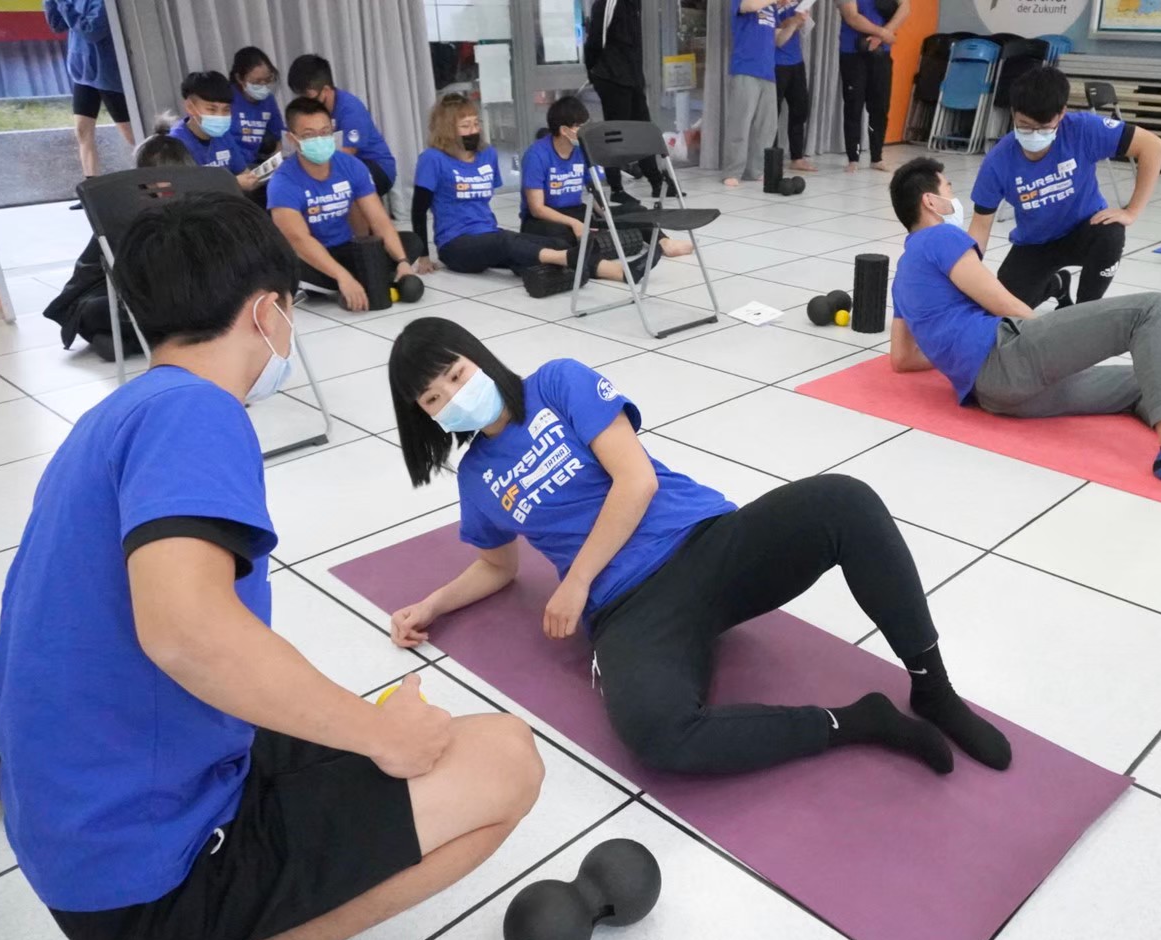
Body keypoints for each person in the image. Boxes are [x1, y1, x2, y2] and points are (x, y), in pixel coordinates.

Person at [0, 193, 543, 940]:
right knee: (506, 761)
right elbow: (186, 632)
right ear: (266, 312)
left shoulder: (113, 415)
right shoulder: (196, 411)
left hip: (77, 833)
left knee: (362, 717)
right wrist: (379, 737)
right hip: (142, 881)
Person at [384, 319, 1013, 777]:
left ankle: (932, 686)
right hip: (629, 610)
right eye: (435, 397)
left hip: (707, 545)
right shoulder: (477, 477)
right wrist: (431, 606)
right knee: (658, 736)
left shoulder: (557, 382)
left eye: (456, 374)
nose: (455, 395)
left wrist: (573, 582)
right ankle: (857, 722)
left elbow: (636, 481)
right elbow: (496, 566)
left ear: (477, 357)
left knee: (845, 501)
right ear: (425, 416)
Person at [888, 157, 1161, 507]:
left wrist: (953, 355)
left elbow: (902, 360)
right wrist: (1056, 339)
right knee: (1151, 309)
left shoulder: (903, 274)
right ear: (931, 202)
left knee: (1144, 379)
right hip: (1008, 359)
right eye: (948, 187)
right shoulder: (942, 236)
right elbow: (1003, 303)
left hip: (993, 395)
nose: (954, 196)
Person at [966, 66, 1161, 310]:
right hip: (1036, 243)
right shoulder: (998, 161)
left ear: (1061, 113)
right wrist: (967, 276)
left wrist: (1132, 211)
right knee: (1004, 310)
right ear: (1013, 113)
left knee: (1111, 233)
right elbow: (980, 227)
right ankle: (1057, 285)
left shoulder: (1081, 129)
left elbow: (1154, 146)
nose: (1034, 135)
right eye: (1025, 126)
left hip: (1085, 230)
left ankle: (1085, 311)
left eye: (1044, 127)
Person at [413, 94, 644, 282]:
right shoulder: (432, 159)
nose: (474, 130)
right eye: (465, 126)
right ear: (447, 130)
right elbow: (418, 210)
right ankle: (573, 261)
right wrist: (423, 255)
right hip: (455, 244)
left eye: (476, 123)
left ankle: (620, 273)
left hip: (488, 232)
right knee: (507, 243)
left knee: (553, 245)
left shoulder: (487, 154)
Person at [43, 129, 194, 361]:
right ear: (143, 180)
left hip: (149, 295)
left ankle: (132, 341)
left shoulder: (186, 205)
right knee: (155, 310)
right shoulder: (127, 213)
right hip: (104, 295)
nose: (170, 187)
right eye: (161, 180)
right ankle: (135, 338)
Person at [268, 97, 425, 312]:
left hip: (346, 247)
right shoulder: (282, 181)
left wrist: (402, 262)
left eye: (325, 132)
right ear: (292, 138)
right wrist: (342, 276)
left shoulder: (351, 165)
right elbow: (298, 240)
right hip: (310, 257)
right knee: (285, 267)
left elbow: (378, 220)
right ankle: (350, 280)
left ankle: (351, 281)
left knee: (411, 242)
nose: (319, 139)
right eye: (309, 135)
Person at [518, 97, 693, 264]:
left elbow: (593, 190)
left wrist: (607, 216)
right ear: (564, 130)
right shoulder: (536, 155)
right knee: (561, 235)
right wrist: (574, 223)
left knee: (635, 210)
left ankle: (663, 242)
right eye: (580, 126)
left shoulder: (581, 150)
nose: (586, 130)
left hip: (576, 211)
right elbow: (537, 209)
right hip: (544, 219)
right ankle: (589, 249)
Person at [45, 0, 134, 207]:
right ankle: (92, 192)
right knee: (82, 131)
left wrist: (64, 4)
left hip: (108, 75)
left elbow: (92, 32)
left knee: (131, 134)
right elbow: (57, 25)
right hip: (82, 75)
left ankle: (154, 176)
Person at [583, 0, 668, 205]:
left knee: (643, 130)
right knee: (615, 134)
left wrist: (638, 77)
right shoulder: (608, 2)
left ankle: (656, 181)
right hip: (611, 77)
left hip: (633, 77)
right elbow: (595, 40)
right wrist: (593, 71)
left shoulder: (634, 3)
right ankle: (616, 188)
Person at [287, 53, 398, 199]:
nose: (305, 103)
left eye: (309, 98)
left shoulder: (350, 109)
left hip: (375, 166)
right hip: (342, 164)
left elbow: (347, 153)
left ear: (326, 91)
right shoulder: (310, 113)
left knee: (333, 182)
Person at [168, 71, 265, 201]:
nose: (220, 116)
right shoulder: (176, 144)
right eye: (212, 109)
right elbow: (184, 191)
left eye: (226, 110)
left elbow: (242, 171)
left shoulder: (223, 135)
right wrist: (233, 183)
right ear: (190, 107)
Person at [837, 0, 907, 173]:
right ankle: (853, 158)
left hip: (881, 52)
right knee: (854, 105)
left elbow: (905, 7)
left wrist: (883, 34)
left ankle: (877, 157)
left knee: (880, 106)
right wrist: (882, 33)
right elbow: (852, 17)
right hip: (853, 52)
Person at [723, 0, 781, 188]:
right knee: (740, 123)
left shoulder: (772, 7)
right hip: (745, 68)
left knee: (766, 126)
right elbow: (750, 6)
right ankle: (732, 171)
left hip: (768, 71)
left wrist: (795, 23)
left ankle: (755, 169)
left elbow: (778, 39)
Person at [774, 2, 817, 173]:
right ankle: (772, 159)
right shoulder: (768, 5)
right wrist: (793, 20)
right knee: (772, 114)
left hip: (796, 62)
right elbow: (776, 29)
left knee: (800, 110)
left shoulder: (796, 4)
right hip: (775, 64)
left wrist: (801, 18)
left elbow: (804, 27)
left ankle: (797, 157)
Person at [229, 46, 284, 167]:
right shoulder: (228, 98)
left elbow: (279, 137)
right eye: (257, 82)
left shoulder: (268, 100)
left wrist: (275, 163)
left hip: (255, 164)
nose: (263, 86)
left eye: (268, 80)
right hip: (230, 164)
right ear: (240, 79)